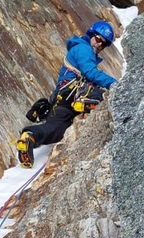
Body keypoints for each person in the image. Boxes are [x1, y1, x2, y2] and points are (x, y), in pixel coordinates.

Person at [17, 21, 117, 168]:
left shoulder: (79, 49)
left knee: (56, 130)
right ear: (91, 35)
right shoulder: (84, 48)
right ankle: (84, 101)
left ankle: (30, 136)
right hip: (73, 93)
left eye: (103, 43)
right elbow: (91, 73)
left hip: (61, 100)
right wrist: (117, 85)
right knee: (104, 96)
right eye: (97, 38)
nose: (99, 44)